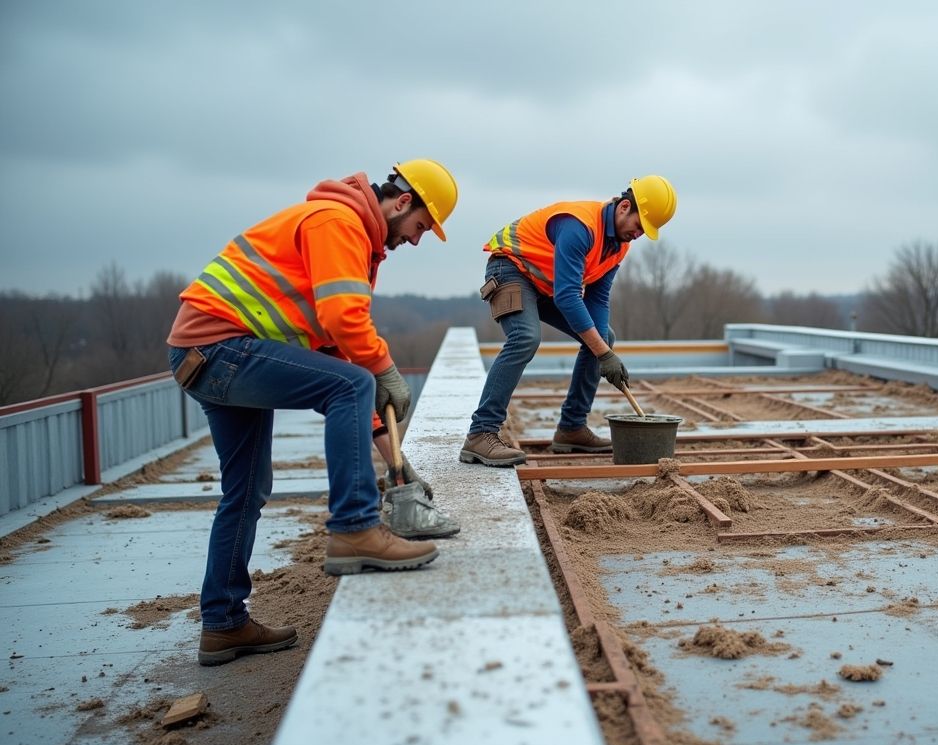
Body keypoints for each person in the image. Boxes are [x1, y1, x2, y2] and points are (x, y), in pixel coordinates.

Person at [166, 159, 459, 666]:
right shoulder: (337, 222)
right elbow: (343, 322)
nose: (415, 241)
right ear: (403, 202)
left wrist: (394, 459)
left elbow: (330, 354)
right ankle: (354, 529)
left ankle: (223, 623)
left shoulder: (350, 233)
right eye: (419, 229)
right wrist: (385, 369)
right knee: (356, 383)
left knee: (245, 491)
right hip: (221, 348)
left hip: (207, 354)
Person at [460, 176, 677, 467]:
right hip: (512, 267)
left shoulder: (618, 245)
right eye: (639, 226)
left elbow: (597, 299)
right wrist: (603, 354)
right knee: (525, 337)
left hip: (546, 284)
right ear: (625, 207)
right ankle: (481, 433)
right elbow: (568, 296)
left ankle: (572, 428)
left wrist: (603, 350)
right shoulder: (580, 226)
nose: (638, 234)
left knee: (603, 338)